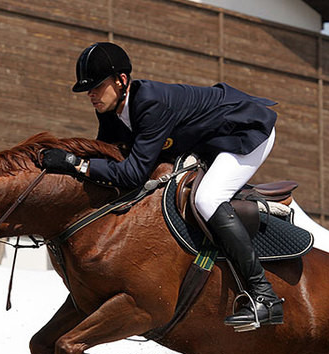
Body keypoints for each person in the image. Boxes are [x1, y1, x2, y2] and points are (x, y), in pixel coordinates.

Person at [41, 42, 283, 330]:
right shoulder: (110, 109)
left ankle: (265, 297)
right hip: (205, 140)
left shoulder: (151, 104)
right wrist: (68, 162)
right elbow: (109, 155)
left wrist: (75, 164)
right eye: (87, 90)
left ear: (121, 81)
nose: (91, 94)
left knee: (207, 198)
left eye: (97, 86)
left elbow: (132, 173)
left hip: (244, 132)